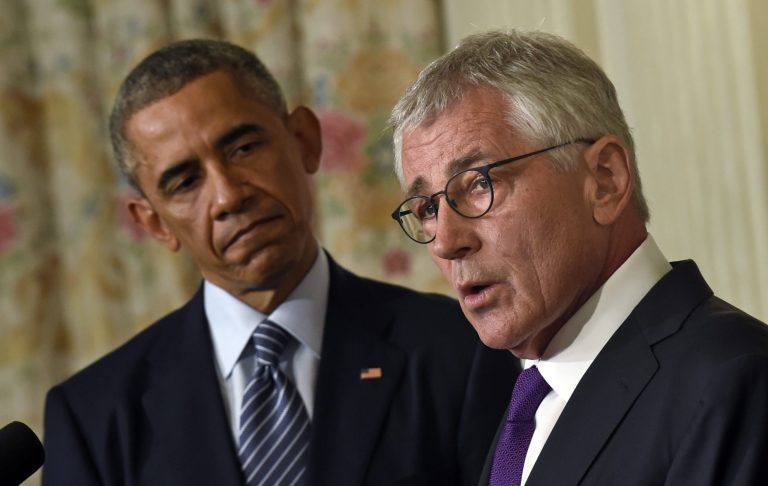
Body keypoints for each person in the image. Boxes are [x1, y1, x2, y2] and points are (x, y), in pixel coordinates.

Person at [42, 39, 519, 486]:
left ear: (304, 140)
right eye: (185, 182)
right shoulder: (93, 416)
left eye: (243, 148)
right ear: (154, 223)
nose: (228, 196)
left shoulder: (459, 349)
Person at [390, 30, 768, 486]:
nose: (446, 242)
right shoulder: (528, 400)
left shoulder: (735, 380)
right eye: (428, 208)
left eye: (478, 183)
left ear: (605, 180)